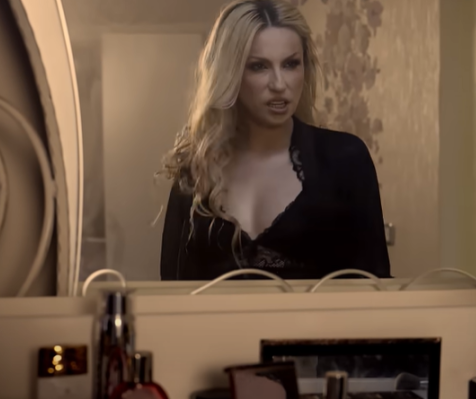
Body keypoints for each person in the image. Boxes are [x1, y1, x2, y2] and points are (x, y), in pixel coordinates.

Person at [159, 0, 390, 281]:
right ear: (230, 74)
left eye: (291, 64)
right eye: (259, 66)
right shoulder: (196, 170)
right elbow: (172, 290)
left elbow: (376, 287)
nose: (279, 84)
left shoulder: (345, 160)